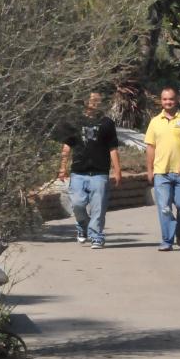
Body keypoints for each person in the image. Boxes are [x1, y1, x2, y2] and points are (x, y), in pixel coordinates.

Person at [57, 91, 121, 249]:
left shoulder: (107, 123)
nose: (94, 102)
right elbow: (67, 146)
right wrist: (62, 167)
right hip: (79, 172)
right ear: (84, 101)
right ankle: (82, 225)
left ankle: (97, 236)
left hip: (100, 172)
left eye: (97, 100)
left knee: (98, 207)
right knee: (77, 204)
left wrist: (117, 169)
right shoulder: (74, 122)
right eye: (91, 99)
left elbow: (113, 148)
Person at [144, 86, 180, 251]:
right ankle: (167, 240)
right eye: (165, 99)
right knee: (164, 208)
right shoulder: (154, 121)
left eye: (171, 99)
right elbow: (150, 147)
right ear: (161, 101)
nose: (168, 102)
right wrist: (149, 169)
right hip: (162, 173)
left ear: (177, 100)